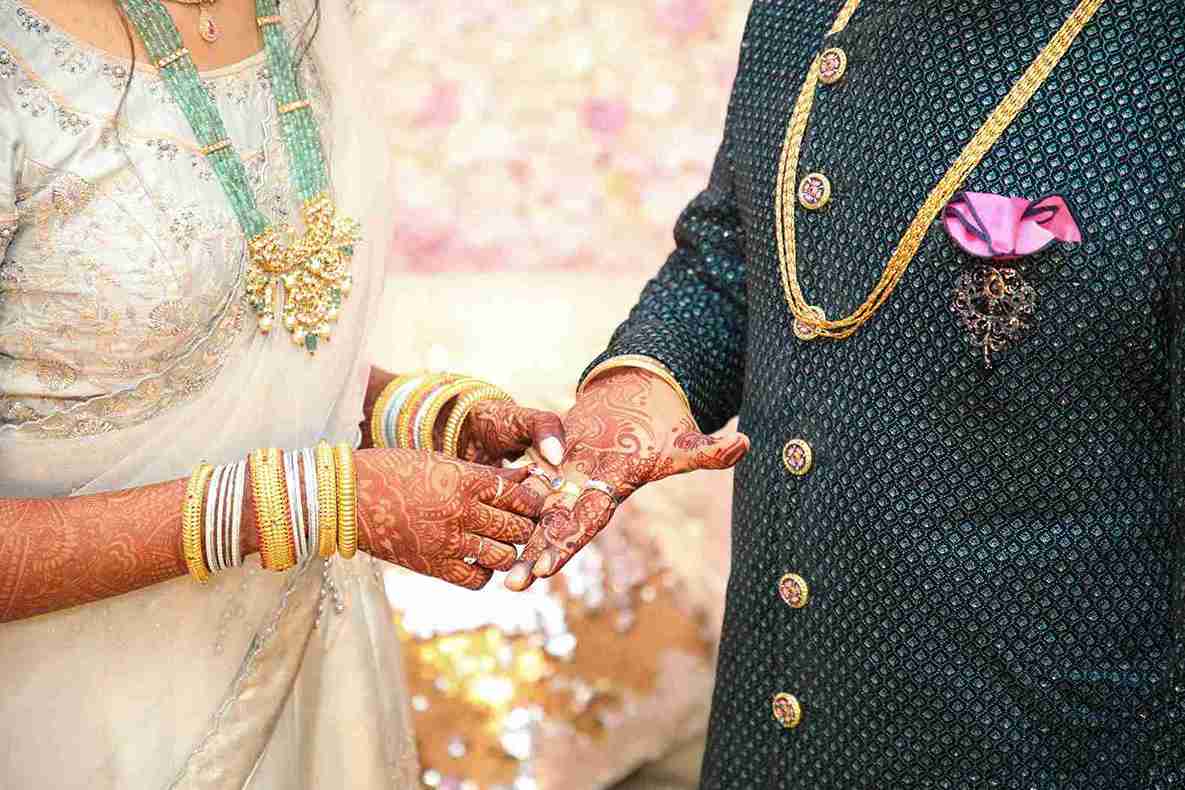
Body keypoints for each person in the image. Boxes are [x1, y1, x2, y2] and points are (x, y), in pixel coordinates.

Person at [507, 1, 1185, 787]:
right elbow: (731, 260)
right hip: (772, 731)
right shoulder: (800, 13)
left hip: (1044, 740)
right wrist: (634, 391)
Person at [0, 1, 574, 786]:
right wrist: (321, 501)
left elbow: (238, 340)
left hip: (314, 676)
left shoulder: (302, 16)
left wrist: (409, 413)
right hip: (73, 721)